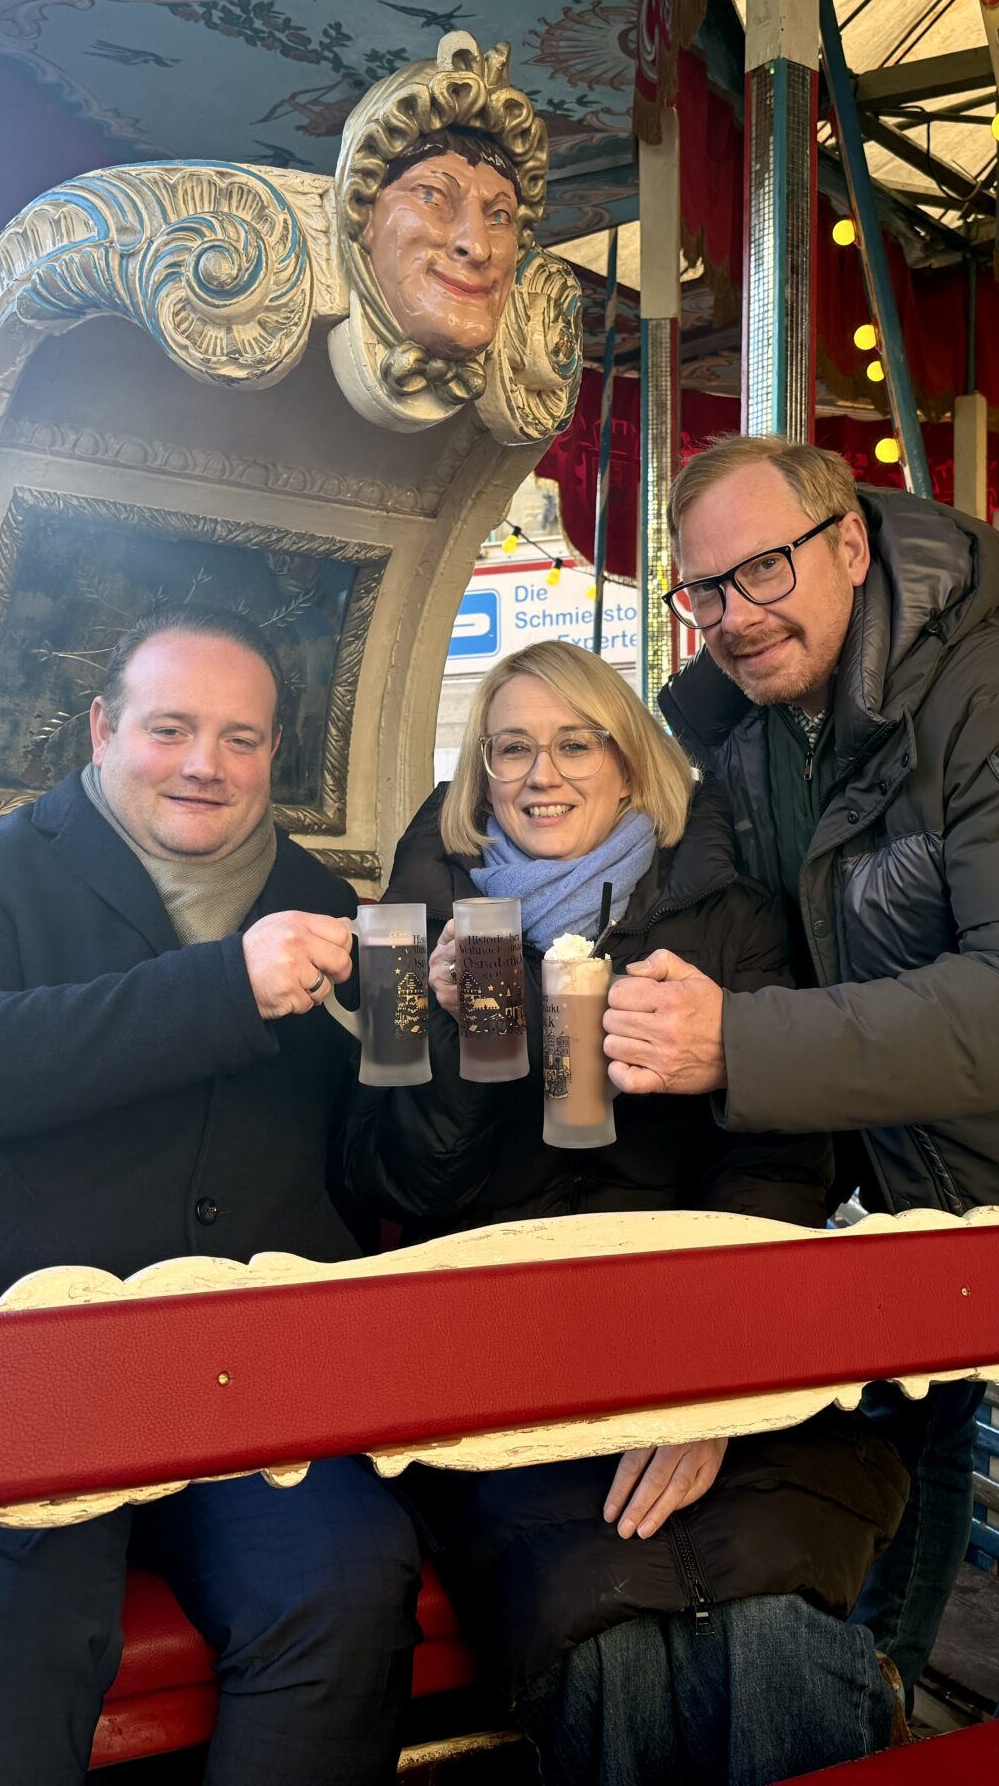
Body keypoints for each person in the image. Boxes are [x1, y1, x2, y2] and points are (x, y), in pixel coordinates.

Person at [601, 436, 999, 1716]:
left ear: (850, 546)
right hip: (913, 1135)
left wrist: (736, 1043)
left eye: (765, 569)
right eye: (706, 590)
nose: (735, 615)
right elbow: (713, 914)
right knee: (910, 1420)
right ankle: (885, 1708)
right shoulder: (752, 732)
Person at [0, 606, 421, 1785]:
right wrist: (226, 987)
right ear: (103, 728)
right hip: (13, 1358)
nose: (204, 763)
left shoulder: (333, 908)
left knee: (346, 1584)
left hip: (247, 1369)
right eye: (171, 728)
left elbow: (386, 1154)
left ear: (274, 753)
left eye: (240, 737)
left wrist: (471, 1044)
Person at [346, 639, 909, 1786]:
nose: (539, 774)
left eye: (574, 742)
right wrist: (447, 1038)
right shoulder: (420, 923)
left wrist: (721, 1385)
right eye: (510, 748)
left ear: (628, 759)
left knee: (772, 1624)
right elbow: (387, 1190)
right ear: (479, 771)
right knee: (602, 1635)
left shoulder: (721, 911)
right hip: (508, 1358)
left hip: (709, 1335)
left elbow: (775, 1165)